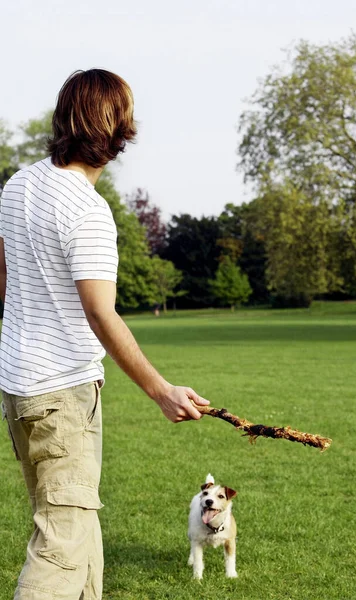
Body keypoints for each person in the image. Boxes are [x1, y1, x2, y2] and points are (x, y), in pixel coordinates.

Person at [0, 69, 209, 600]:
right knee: (60, 546)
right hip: (62, 395)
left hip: (20, 391)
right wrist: (162, 391)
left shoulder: (18, 184)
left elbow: (4, 280)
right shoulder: (88, 210)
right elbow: (101, 314)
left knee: (80, 529)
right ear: (115, 129)